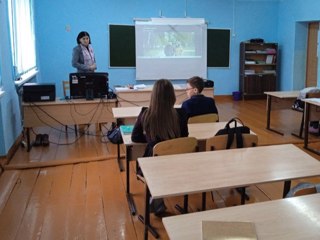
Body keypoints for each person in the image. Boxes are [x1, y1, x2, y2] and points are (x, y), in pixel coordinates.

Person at [131, 79, 189, 216]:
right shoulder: (181, 115)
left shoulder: (145, 113)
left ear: (153, 96)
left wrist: (151, 141)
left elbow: (135, 137)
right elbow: (185, 138)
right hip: (177, 165)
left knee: (153, 162)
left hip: (153, 166)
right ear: (172, 96)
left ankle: (155, 198)